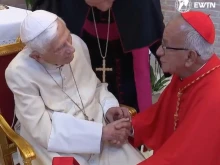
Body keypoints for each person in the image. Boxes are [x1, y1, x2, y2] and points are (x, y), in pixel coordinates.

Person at [5, 10, 145, 165]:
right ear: (37, 56)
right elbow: (42, 131)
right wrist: (99, 134)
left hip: (98, 125)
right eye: (60, 48)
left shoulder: (77, 43)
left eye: (68, 37)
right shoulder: (19, 72)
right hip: (54, 145)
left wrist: (108, 108)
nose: (71, 49)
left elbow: (95, 87)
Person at [31, 0, 166, 112]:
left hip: (126, 62)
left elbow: (152, 33)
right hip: (84, 55)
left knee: (131, 110)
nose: (104, 6)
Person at [129, 11, 220, 165]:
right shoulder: (185, 74)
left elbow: (183, 157)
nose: (158, 52)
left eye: (166, 46)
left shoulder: (214, 96)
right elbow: (159, 114)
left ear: (190, 57)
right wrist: (130, 127)